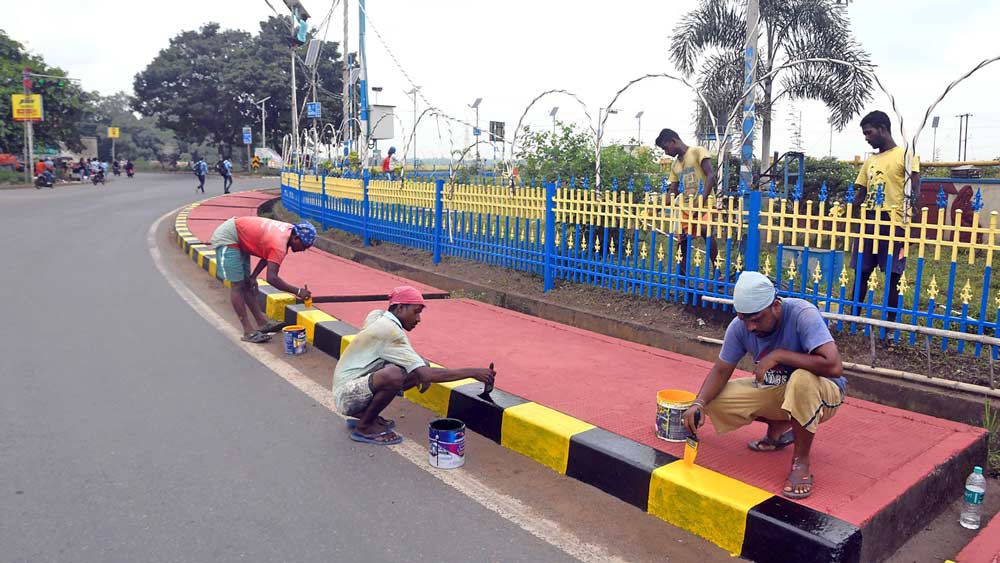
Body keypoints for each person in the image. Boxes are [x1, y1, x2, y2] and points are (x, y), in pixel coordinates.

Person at [682, 271, 845, 499]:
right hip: (777, 389)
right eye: (744, 318)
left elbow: (834, 366)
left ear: (776, 306)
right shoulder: (739, 327)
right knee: (714, 400)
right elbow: (721, 369)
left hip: (824, 393)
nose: (750, 327)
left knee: (801, 379)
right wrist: (698, 403)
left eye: (756, 319)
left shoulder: (802, 314)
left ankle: (801, 462)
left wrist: (780, 355)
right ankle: (779, 427)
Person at [333, 286, 496, 445]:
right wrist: (473, 372)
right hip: (347, 396)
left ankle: (369, 415)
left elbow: (417, 366)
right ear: (400, 308)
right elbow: (425, 374)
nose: (418, 319)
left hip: (351, 388)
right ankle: (365, 427)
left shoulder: (379, 316)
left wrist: (421, 372)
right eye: (416, 312)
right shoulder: (392, 332)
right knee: (394, 375)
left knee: (418, 365)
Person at [851, 110, 920, 321]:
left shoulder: (906, 155)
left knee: (893, 275)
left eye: (869, 132)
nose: (866, 138)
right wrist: (848, 217)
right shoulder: (869, 161)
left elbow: (914, 191)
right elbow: (860, 193)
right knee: (861, 272)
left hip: (894, 222)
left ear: (882, 129)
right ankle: (853, 318)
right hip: (869, 221)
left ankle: (889, 326)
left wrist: (909, 222)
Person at [209, 217, 317, 343]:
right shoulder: (280, 243)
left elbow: (268, 254)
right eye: (304, 246)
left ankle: (262, 323)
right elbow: (272, 278)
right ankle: (248, 331)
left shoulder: (288, 231)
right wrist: (298, 291)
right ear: (296, 238)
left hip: (240, 238)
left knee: (248, 283)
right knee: (238, 285)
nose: (303, 250)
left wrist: (253, 276)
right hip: (228, 237)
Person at [655, 128, 719, 278]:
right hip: (685, 207)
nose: (666, 152)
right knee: (683, 239)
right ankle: (682, 275)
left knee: (706, 232)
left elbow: (710, 175)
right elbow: (673, 190)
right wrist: (658, 208)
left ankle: (717, 271)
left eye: (666, 148)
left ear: (673, 141)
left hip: (705, 203)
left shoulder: (697, 151)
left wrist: (701, 202)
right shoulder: (675, 165)